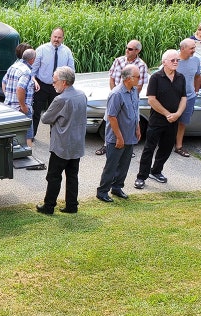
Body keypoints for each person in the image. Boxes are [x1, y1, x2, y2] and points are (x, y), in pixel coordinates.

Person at [36, 66, 87, 214]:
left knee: (53, 176)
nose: (53, 84)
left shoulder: (61, 99)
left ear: (64, 82)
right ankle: (72, 205)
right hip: (77, 144)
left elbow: (45, 118)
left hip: (62, 145)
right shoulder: (81, 95)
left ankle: (49, 206)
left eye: (55, 81)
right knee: (72, 176)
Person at [134, 50, 186, 189]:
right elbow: (151, 99)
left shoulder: (181, 77)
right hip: (157, 121)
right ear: (164, 62)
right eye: (172, 60)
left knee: (166, 148)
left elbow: (183, 98)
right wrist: (168, 114)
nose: (176, 62)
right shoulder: (156, 78)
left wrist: (178, 114)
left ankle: (156, 171)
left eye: (177, 60)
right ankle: (141, 176)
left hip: (173, 121)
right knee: (149, 148)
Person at [96, 65, 142, 202]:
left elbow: (135, 110)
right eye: (137, 77)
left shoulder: (134, 91)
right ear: (128, 78)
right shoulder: (116, 94)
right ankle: (102, 191)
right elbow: (112, 117)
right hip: (117, 138)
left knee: (124, 165)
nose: (140, 79)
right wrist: (119, 137)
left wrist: (138, 127)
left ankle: (117, 187)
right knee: (112, 165)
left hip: (130, 135)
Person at [95, 39, 149, 156]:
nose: (127, 51)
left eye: (130, 49)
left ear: (137, 51)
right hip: (117, 95)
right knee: (109, 119)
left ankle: (128, 146)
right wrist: (115, 93)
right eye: (126, 48)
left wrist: (130, 96)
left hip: (131, 97)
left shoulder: (141, 65)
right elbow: (112, 79)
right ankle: (107, 144)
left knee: (129, 121)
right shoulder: (118, 61)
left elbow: (139, 85)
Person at [31, 27, 75, 139]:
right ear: (51, 36)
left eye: (59, 37)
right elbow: (32, 70)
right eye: (55, 37)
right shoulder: (41, 50)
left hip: (59, 87)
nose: (56, 39)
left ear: (63, 38)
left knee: (56, 114)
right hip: (41, 86)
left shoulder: (67, 51)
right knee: (36, 112)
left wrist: (67, 87)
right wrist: (34, 81)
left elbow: (71, 71)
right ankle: (32, 135)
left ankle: (54, 138)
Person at [2, 49, 37, 146]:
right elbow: (20, 88)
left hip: (10, 108)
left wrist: (9, 97)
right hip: (21, 109)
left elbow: (4, 82)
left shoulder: (13, 66)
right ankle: (30, 159)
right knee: (27, 138)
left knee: (12, 137)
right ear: (32, 59)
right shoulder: (26, 71)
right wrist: (23, 106)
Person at [174, 38, 201, 157]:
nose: (194, 50)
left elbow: (197, 76)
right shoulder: (173, 60)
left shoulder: (196, 60)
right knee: (169, 121)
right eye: (192, 48)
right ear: (183, 49)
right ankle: (165, 144)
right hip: (173, 97)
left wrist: (196, 91)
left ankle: (178, 146)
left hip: (189, 97)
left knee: (183, 123)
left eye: (194, 47)